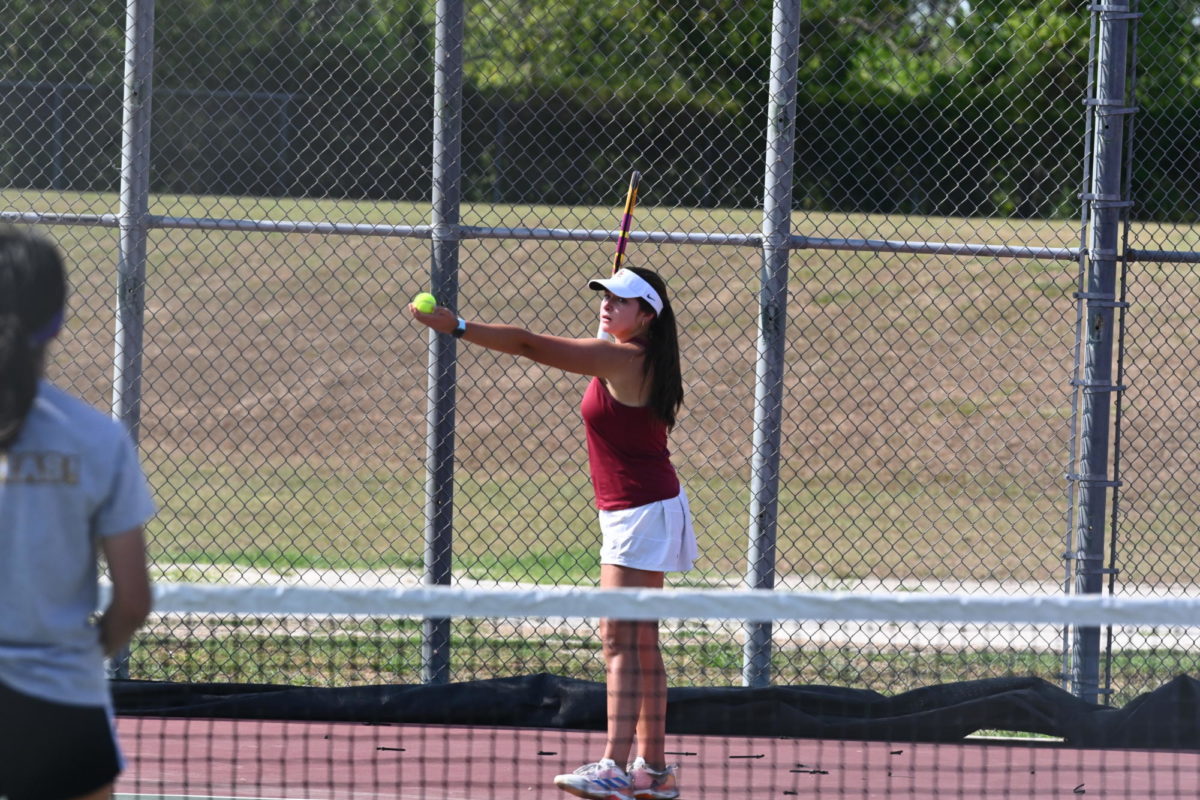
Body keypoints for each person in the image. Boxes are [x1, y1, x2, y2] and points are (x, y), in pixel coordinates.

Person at [410, 266, 694, 800]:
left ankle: (613, 764)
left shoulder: (620, 357)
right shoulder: (632, 354)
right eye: (606, 296)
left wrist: (457, 326)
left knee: (619, 640)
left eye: (623, 300)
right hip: (646, 507)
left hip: (639, 512)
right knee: (641, 642)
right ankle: (654, 771)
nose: (608, 305)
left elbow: (525, 344)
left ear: (649, 316)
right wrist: (607, 334)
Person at [0, 228, 155, 800]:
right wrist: (75, 660)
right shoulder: (97, 439)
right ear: (57, 322)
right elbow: (133, 601)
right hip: (62, 708)